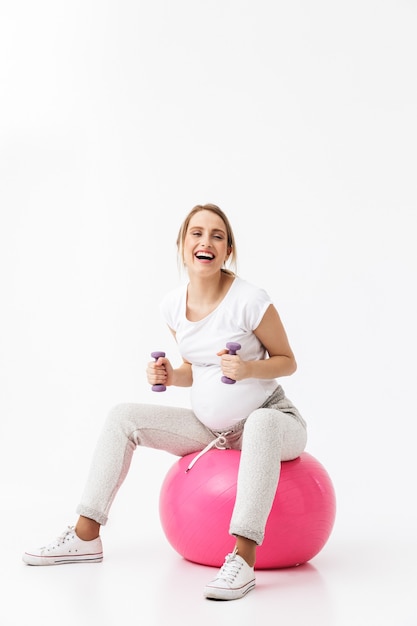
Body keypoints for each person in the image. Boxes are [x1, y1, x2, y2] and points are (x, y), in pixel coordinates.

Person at [23, 203, 307, 601]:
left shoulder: (250, 300)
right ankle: (86, 535)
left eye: (217, 235)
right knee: (123, 417)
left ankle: (243, 559)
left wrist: (247, 369)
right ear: (182, 245)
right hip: (211, 430)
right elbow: (197, 367)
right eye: (196, 233)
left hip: (273, 420)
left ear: (227, 251)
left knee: (259, 422)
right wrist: (171, 376)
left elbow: (288, 362)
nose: (205, 241)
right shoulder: (173, 306)